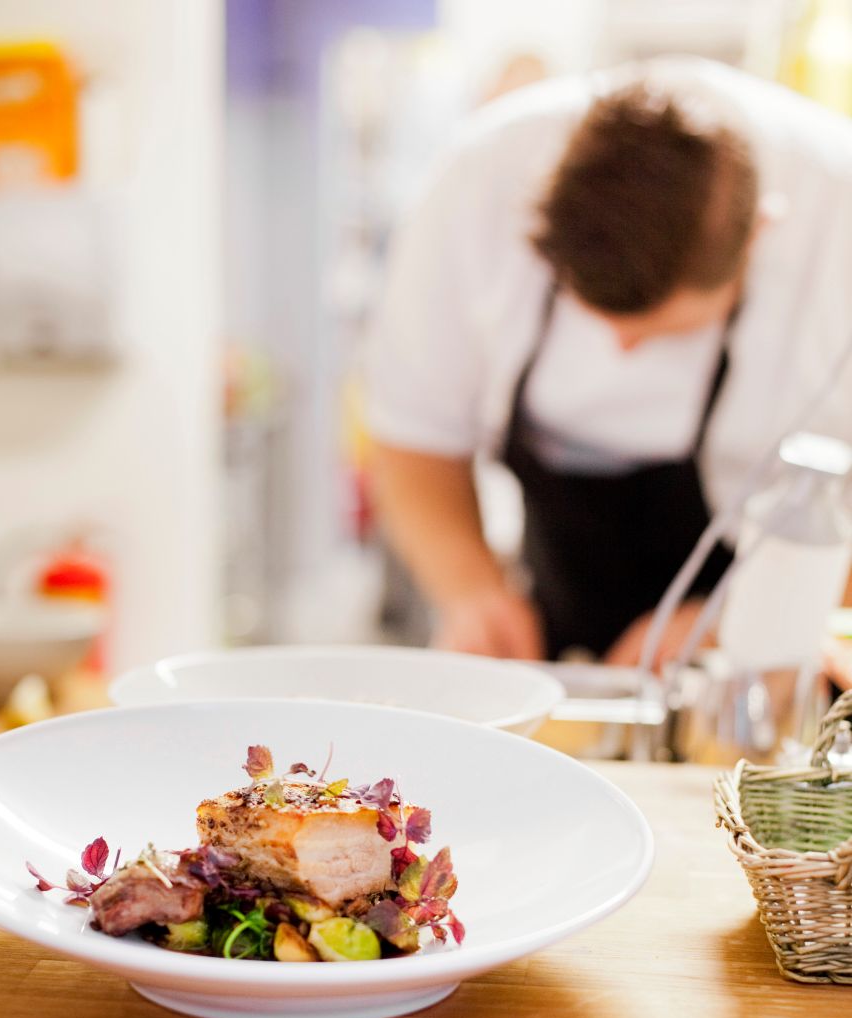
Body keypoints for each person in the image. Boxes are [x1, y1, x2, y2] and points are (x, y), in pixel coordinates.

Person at [365, 56, 852, 664]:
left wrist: (750, 617)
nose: (623, 353)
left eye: (664, 333)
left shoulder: (839, 225)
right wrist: (473, 593)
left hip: (761, 647)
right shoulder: (478, 184)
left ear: (759, 236)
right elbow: (416, 438)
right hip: (550, 617)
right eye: (598, 321)